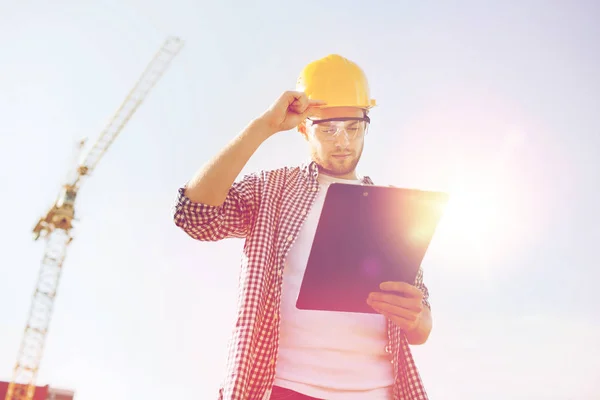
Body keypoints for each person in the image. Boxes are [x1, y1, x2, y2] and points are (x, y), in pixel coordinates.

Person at [173, 54, 433, 400]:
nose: (342, 141)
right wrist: (264, 125)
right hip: (286, 388)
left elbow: (422, 326)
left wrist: (415, 318)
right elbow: (195, 215)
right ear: (302, 128)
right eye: (327, 128)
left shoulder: (394, 210)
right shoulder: (271, 190)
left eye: (353, 127)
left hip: (378, 392)